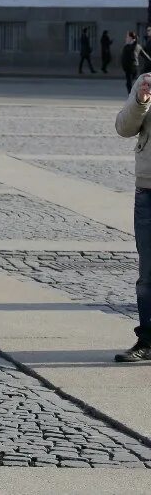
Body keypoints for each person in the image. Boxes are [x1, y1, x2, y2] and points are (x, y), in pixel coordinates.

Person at [114, 71, 151, 362]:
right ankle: (147, 340)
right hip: (148, 189)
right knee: (148, 274)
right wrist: (140, 100)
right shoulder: (145, 81)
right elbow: (124, 128)